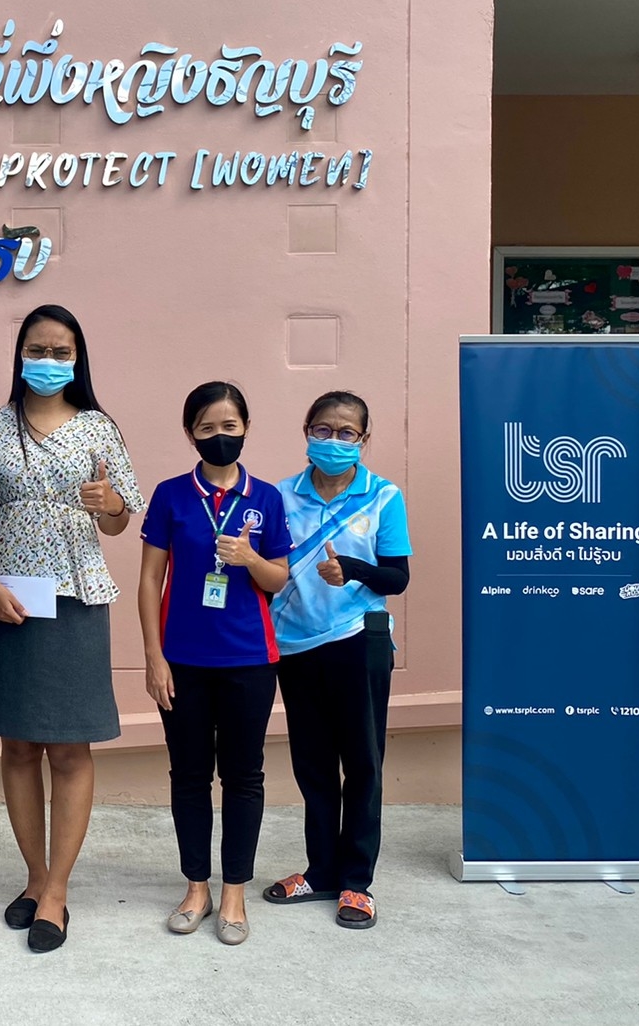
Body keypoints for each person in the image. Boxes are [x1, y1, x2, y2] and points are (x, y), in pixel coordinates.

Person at [0, 304, 143, 953]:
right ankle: (35, 878)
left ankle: (58, 891)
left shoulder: (99, 427)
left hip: (75, 597)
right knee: (17, 745)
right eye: (37, 350)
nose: (48, 361)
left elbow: (121, 520)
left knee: (69, 747)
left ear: (78, 359)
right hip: (7, 601)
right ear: (20, 356)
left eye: (60, 351)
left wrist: (110, 505)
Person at [137, 382, 291, 946]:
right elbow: (150, 579)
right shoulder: (172, 495)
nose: (219, 436)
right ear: (190, 434)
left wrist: (249, 557)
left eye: (229, 426)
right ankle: (196, 887)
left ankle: (234, 893)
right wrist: (153, 657)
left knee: (244, 776)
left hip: (250, 659)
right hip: (182, 661)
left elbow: (279, 579)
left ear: (246, 428)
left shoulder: (266, 498)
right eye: (207, 428)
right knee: (189, 775)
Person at [261, 391, 411, 930]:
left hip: (358, 641)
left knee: (363, 764)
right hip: (296, 646)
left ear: (363, 440)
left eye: (347, 432)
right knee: (313, 765)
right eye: (323, 429)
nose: (333, 440)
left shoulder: (383, 496)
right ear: (307, 431)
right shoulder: (280, 496)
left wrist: (353, 568)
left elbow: (397, 577)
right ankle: (321, 870)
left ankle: (356, 883)